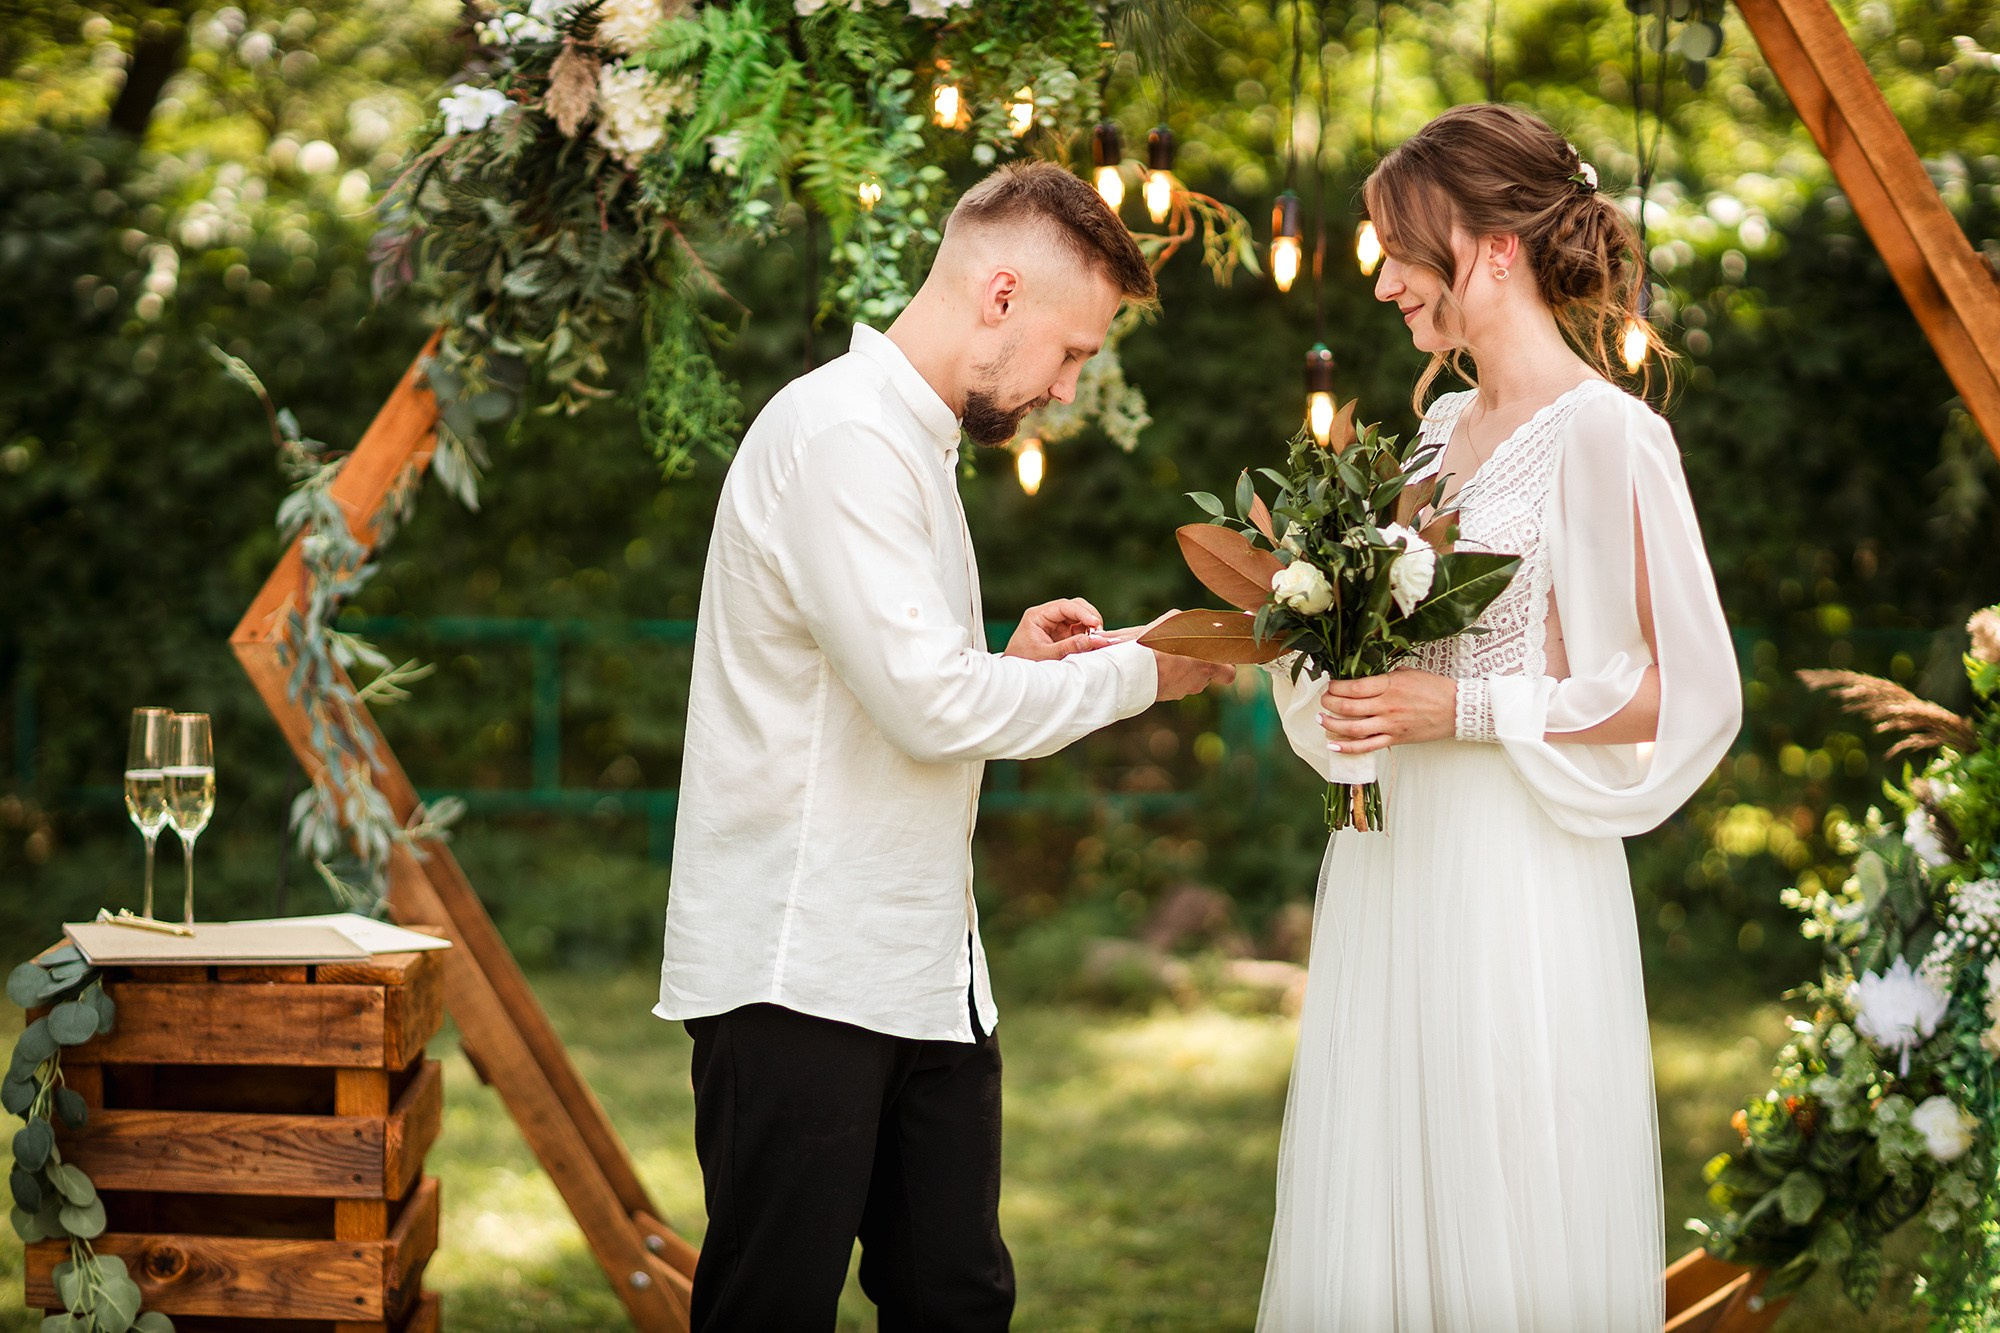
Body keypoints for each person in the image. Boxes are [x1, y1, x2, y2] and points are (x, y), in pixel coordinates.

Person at [655, 160, 1233, 1332]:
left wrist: (1008, 661)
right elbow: (928, 707)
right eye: (1072, 352)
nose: (1069, 388)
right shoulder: (841, 437)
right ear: (1001, 295)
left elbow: (895, 679)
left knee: (955, 1299)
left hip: (921, 968)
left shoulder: (911, 443)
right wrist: (1149, 672)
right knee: (771, 1309)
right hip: (800, 967)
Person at [1256, 103, 1742, 1331]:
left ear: (1493, 249)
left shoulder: (1608, 439)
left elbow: (1670, 692)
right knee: (1387, 1174)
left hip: (1513, 873)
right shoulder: (1428, 437)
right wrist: (1307, 638)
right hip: (1390, 864)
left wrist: (1459, 706)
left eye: (1401, 252)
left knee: (1501, 1175)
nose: (1384, 286)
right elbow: (1377, 629)